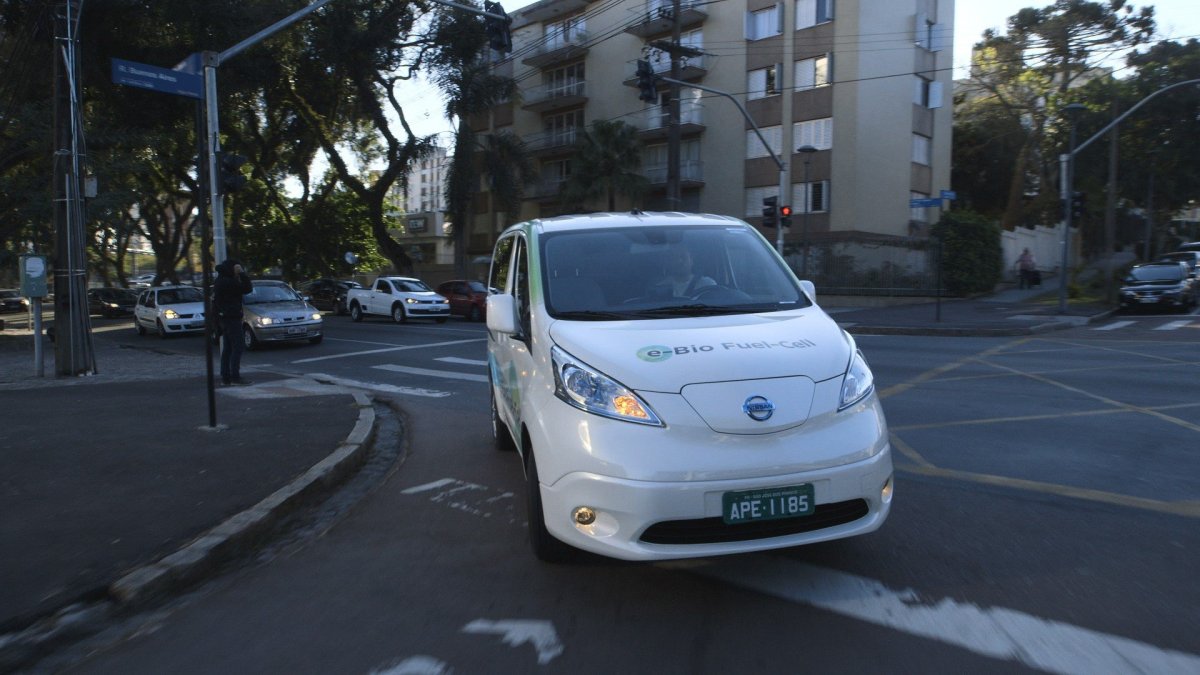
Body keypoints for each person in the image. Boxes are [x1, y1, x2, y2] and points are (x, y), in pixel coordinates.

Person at [213, 259, 253, 386]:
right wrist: (242, 273)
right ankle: (234, 376)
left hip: (225, 317)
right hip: (231, 317)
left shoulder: (221, 280)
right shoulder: (228, 282)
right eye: (236, 269)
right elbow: (247, 288)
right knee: (238, 346)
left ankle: (226, 377)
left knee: (228, 348)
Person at [648, 245, 716, 298]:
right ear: (668, 263)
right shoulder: (660, 288)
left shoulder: (708, 285)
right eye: (674, 258)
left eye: (683, 257)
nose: (679, 261)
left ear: (691, 260)